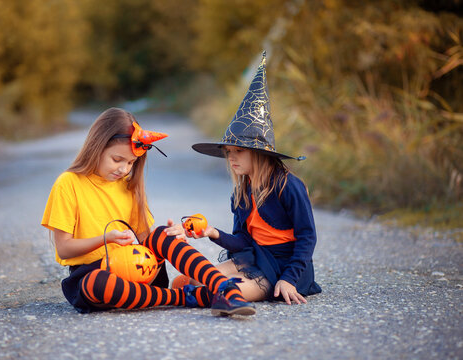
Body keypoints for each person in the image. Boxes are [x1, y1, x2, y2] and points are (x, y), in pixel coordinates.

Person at [41, 107, 255, 316]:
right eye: (117, 160)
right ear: (96, 146)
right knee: (96, 283)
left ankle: (224, 288)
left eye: (130, 163)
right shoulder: (68, 183)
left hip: (135, 273)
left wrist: (173, 238)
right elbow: (64, 249)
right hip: (94, 279)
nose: (123, 169)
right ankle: (182, 297)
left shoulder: (128, 186)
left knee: (163, 233)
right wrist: (106, 239)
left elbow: (146, 240)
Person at [177, 51, 322, 305]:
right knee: (199, 279)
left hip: (286, 267)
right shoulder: (242, 191)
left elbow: (307, 236)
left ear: (259, 153)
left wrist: (288, 278)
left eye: (239, 151)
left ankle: (194, 296)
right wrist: (212, 232)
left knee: (222, 293)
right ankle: (189, 292)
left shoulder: (288, 186)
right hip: (255, 257)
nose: (232, 159)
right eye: (229, 152)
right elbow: (242, 241)